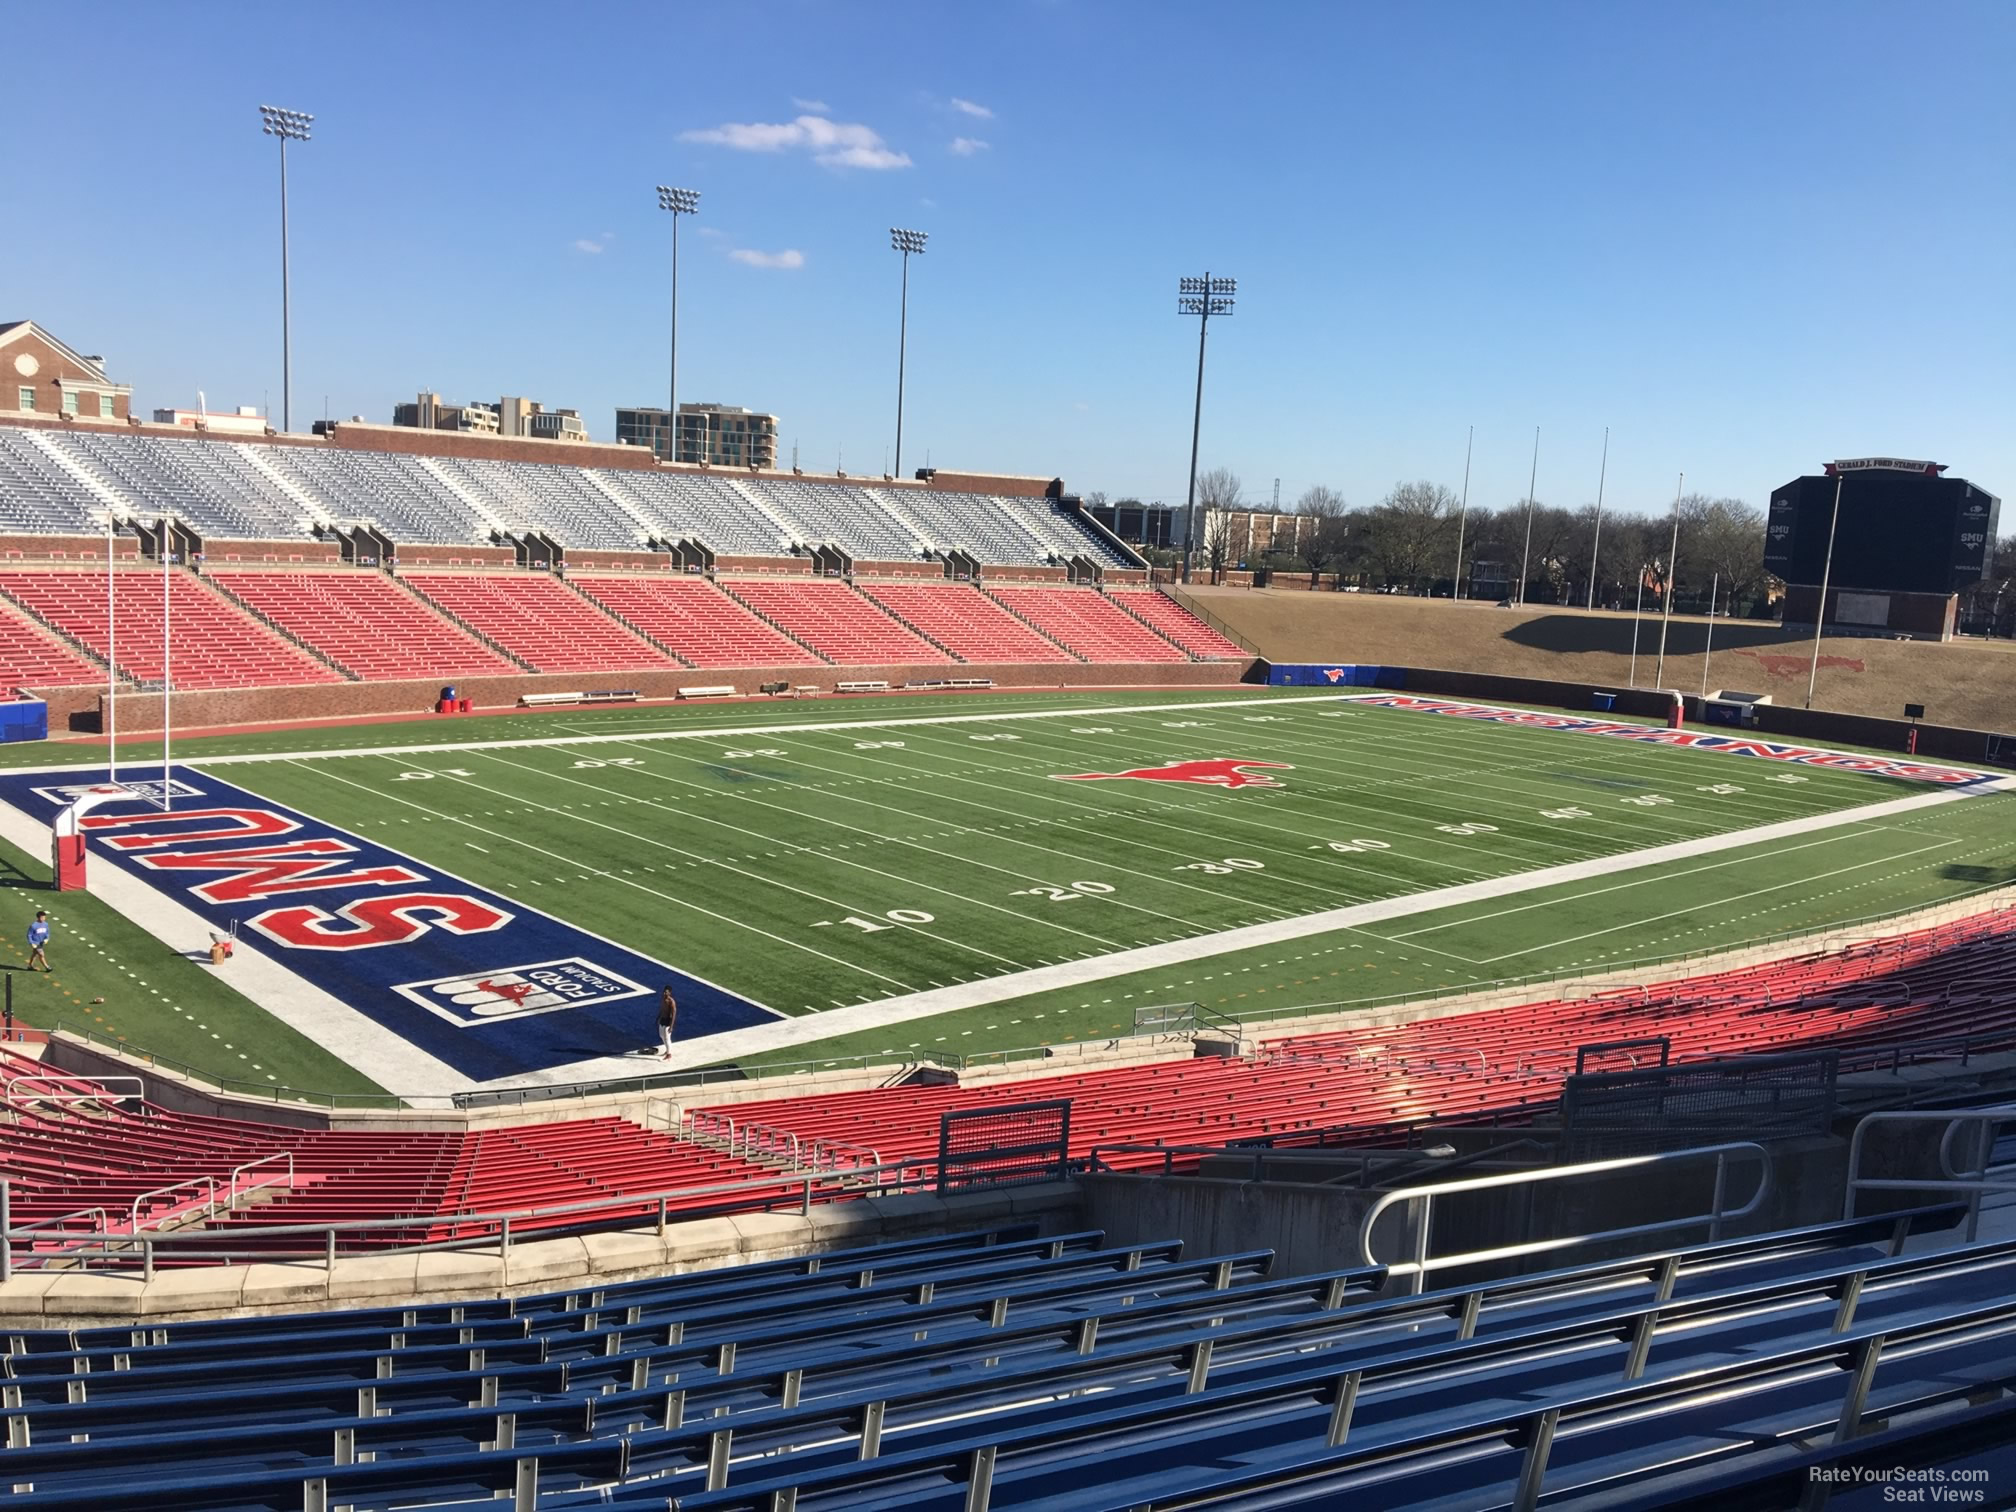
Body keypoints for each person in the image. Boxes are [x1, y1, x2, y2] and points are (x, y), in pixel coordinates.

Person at [656, 986, 678, 1059]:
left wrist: (671, 1026)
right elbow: (662, 1009)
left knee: (667, 1038)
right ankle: (667, 1050)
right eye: (664, 991)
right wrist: (658, 1017)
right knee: (661, 1035)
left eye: (666, 992)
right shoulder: (663, 999)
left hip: (668, 1021)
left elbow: (674, 1014)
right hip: (662, 1019)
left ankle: (669, 1054)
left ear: (670, 993)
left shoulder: (671, 1001)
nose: (664, 993)